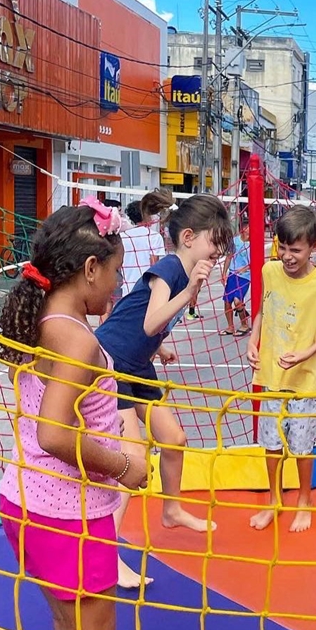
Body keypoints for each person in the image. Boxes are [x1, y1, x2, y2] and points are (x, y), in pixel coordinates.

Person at [0, 202, 149, 630]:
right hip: (65, 514)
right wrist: (124, 466)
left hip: (29, 501)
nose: (118, 285)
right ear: (91, 269)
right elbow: (54, 433)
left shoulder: (44, 320)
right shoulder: (75, 339)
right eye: (116, 271)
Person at [96, 193, 231, 587]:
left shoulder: (187, 274)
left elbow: (149, 328)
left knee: (175, 438)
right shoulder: (170, 269)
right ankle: (108, 552)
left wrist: (159, 347)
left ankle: (171, 510)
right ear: (188, 237)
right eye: (215, 242)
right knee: (134, 457)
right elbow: (150, 320)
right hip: (111, 362)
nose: (219, 251)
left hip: (138, 363)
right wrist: (187, 295)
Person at [246, 206, 316, 532]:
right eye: (282, 247)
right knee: (271, 443)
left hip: (303, 380)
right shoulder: (268, 271)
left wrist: (306, 353)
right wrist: (252, 341)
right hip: (272, 375)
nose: (287, 256)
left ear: (314, 246)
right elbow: (261, 310)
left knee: (301, 446)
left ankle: (304, 499)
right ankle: (274, 499)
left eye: (295, 249)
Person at [220, 219, 252, 337]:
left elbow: (257, 262)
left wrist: (246, 268)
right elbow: (229, 257)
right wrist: (224, 273)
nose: (250, 230)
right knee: (227, 301)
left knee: (238, 301)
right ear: (243, 229)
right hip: (233, 275)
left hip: (245, 276)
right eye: (248, 227)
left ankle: (245, 325)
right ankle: (230, 327)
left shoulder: (254, 243)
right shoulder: (234, 241)